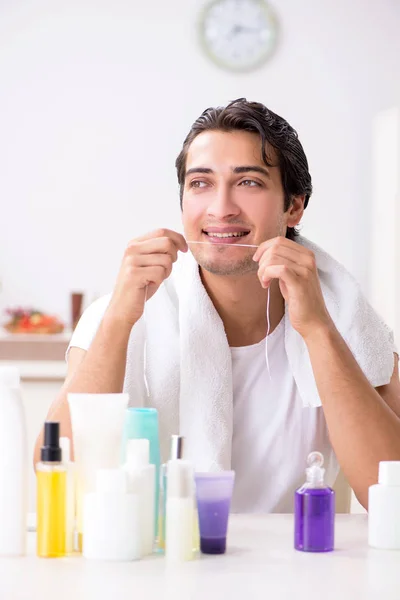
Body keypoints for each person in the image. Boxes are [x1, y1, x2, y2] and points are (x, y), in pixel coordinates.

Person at [34, 98, 400, 512]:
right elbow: (56, 471)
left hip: (297, 566)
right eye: (201, 183)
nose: (221, 208)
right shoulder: (120, 314)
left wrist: (317, 329)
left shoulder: (342, 315)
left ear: (293, 206)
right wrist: (119, 320)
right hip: (160, 558)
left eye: (249, 182)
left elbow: (389, 491)